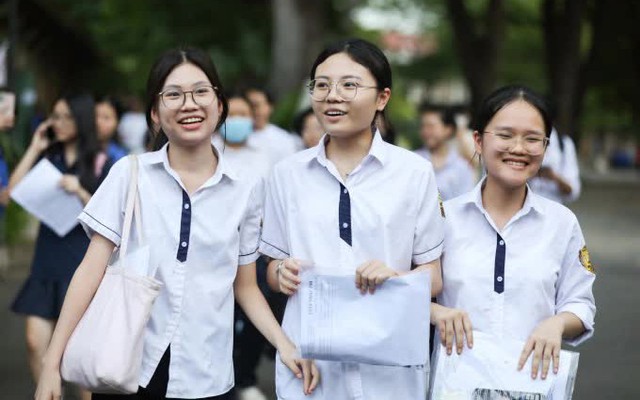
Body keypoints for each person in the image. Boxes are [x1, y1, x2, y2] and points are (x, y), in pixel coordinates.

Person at [34, 47, 318, 400]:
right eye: (173, 95)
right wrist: (51, 363)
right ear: (155, 112)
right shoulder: (130, 174)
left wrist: (285, 345)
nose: (189, 104)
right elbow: (90, 270)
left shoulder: (245, 188)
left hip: (206, 374)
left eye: (200, 91)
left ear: (219, 105)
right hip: (126, 366)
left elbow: (245, 287)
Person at [260, 38, 445, 400]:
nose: (332, 96)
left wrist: (395, 277)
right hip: (309, 365)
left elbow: (433, 276)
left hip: (388, 364)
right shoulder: (287, 173)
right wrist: (280, 272)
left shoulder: (413, 172)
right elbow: (271, 267)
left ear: (382, 98)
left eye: (349, 85)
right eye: (322, 85)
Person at [432, 85, 596, 382]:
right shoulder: (443, 219)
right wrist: (435, 312)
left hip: (531, 385)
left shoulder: (562, 223)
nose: (518, 148)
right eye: (505, 135)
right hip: (454, 385)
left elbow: (581, 303)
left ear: (545, 147)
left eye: (532, 139)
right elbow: (410, 294)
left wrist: (557, 323)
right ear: (478, 140)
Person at [10, 93, 111, 400]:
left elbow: (110, 217)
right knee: (34, 342)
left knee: (79, 358)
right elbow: (12, 192)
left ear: (81, 119)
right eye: (55, 116)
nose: (59, 122)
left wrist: (79, 190)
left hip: (81, 262)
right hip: (46, 260)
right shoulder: (48, 158)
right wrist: (35, 147)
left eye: (66, 116)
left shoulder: (102, 162)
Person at [414, 104, 476, 200]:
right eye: (423, 126)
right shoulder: (413, 160)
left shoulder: (461, 166)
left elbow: (465, 201)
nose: (425, 131)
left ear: (448, 129)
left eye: (431, 126)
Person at [212, 92, 270, 180]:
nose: (236, 119)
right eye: (230, 115)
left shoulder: (264, 151)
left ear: (252, 118)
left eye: (242, 114)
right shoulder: (209, 152)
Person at [243, 86, 301, 166]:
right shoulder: (234, 135)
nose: (253, 110)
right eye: (249, 105)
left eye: (256, 105)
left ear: (270, 107)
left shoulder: (284, 140)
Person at [529, 127, 581, 204]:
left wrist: (553, 177)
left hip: (553, 206)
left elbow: (573, 191)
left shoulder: (564, 144)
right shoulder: (523, 139)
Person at [96, 96, 128, 162]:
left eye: (106, 118)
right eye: (95, 115)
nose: (98, 122)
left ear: (118, 123)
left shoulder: (120, 158)